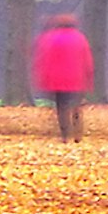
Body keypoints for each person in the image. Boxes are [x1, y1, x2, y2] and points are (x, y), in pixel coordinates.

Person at [31, 13, 94, 144]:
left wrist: (42, 78)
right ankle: (78, 133)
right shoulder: (80, 38)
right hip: (77, 78)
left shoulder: (49, 38)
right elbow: (87, 60)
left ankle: (65, 134)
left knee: (62, 107)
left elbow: (43, 59)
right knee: (76, 106)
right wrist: (89, 76)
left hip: (57, 80)